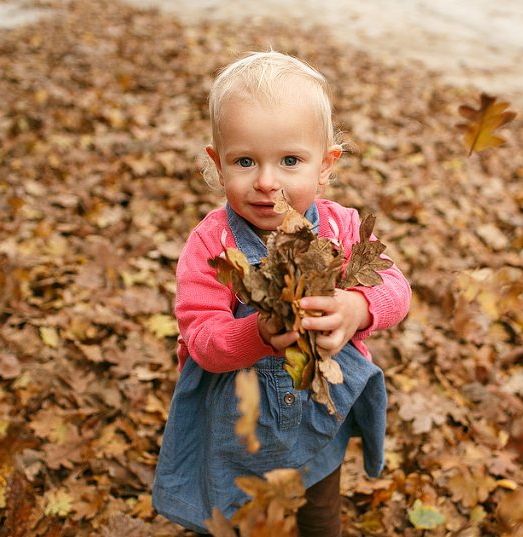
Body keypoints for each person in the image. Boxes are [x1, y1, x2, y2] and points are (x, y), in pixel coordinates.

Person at [152, 51, 411, 536]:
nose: (267, 182)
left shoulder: (341, 227)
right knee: (236, 512)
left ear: (325, 166)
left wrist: (357, 308)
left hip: (319, 406)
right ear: (217, 163)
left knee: (320, 507)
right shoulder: (214, 244)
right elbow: (202, 338)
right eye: (245, 161)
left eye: (290, 160)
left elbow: (396, 289)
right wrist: (258, 333)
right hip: (236, 419)